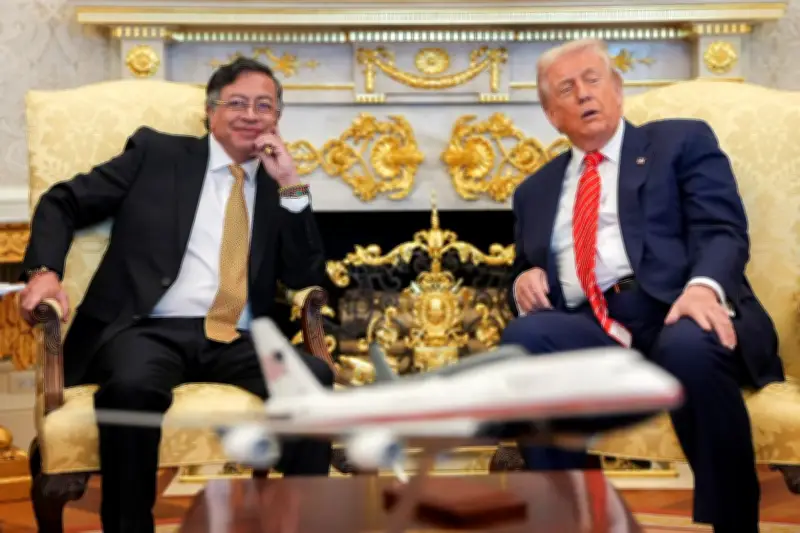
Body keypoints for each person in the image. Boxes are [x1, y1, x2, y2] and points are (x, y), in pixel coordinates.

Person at [18, 57, 334, 533]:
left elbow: (306, 272)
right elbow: (62, 201)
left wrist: (291, 183)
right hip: (147, 328)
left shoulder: (279, 185)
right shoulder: (157, 155)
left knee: (311, 379)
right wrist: (44, 273)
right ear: (211, 111)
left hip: (235, 335)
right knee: (131, 389)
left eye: (264, 106)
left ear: (277, 118)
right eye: (238, 103)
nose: (251, 115)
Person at [502, 38, 785, 533]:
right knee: (524, 339)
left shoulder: (679, 142)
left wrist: (703, 288)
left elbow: (721, 229)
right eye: (566, 89)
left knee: (690, 347)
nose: (583, 94)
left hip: (677, 306)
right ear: (551, 115)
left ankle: (734, 523)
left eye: (593, 79)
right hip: (594, 327)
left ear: (617, 89)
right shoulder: (534, 191)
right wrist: (523, 279)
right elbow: (523, 267)